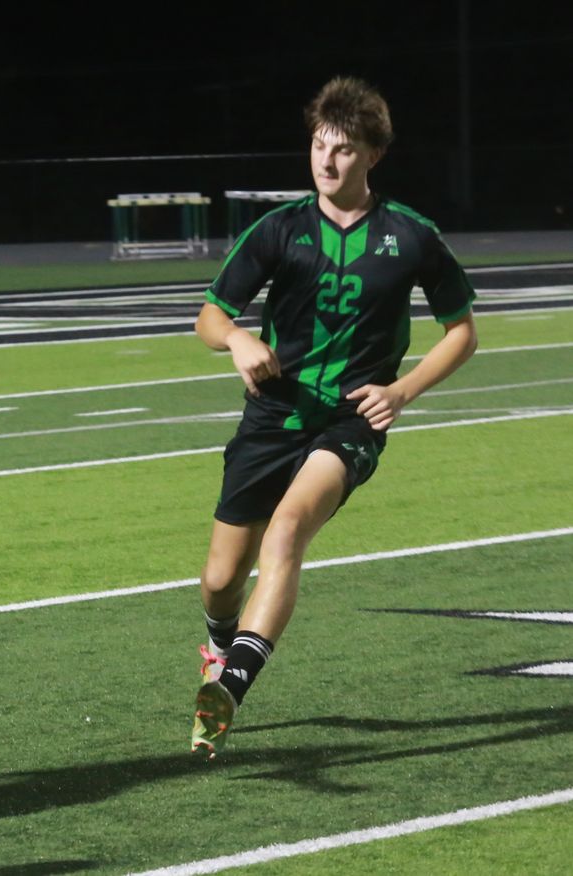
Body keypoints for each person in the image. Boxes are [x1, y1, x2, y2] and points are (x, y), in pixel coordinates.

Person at [190, 76, 477, 758]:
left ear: (374, 154)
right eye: (319, 145)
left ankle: (230, 687)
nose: (326, 161)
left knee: (287, 531)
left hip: (349, 423)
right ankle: (216, 648)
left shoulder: (411, 236)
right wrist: (238, 339)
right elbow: (209, 317)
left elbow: (462, 331)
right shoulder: (279, 229)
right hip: (272, 416)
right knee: (221, 578)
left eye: (344, 149)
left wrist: (402, 392)